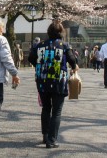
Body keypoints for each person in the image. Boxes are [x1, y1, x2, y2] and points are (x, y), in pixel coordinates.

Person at [28, 19, 78, 149]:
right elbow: (72, 59)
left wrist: (40, 66)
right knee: (56, 111)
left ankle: (45, 136)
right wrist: (74, 66)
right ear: (61, 32)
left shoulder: (39, 45)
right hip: (58, 81)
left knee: (46, 108)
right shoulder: (65, 45)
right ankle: (52, 140)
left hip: (42, 80)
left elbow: (31, 58)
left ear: (48, 32)